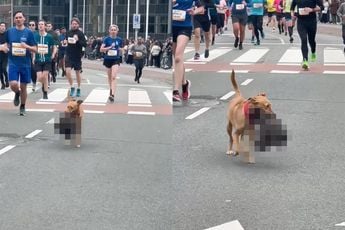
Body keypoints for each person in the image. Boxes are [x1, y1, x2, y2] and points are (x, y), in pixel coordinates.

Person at [172, 0, 205, 102]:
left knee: (178, 57)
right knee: (178, 59)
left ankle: (176, 91)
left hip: (184, 27)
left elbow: (202, 8)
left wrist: (194, 11)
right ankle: (185, 84)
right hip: (171, 27)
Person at [5, 11, 37, 115]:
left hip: (25, 63)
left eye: (20, 17)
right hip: (13, 62)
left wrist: (27, 47)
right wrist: (5, 48)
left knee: (24, 87)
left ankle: (22, 106)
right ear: (14, 20)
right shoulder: (9, 31)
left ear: (24, 19)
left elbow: (35, 49)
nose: (18, 19)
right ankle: (16, 93)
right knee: (13, 84)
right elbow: (6, 44)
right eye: (16, 18)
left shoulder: (29, 33)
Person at [291, 0, 323, 70]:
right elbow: (292, 8)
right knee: (304, 39)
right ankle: (305, 61)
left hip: (312, 22)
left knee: (311, 40)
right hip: (301, 22)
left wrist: (312, 9)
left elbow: (321, 7)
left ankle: (313, 51)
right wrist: (293, 16)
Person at [33, 20, 57, 99]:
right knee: (40, 77)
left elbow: (54, 47)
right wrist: (33, 57)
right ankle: (44, 85)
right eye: (39, 24)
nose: (40, 26)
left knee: (45, 75)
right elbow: (34, 47)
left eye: (42, 24)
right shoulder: (35, 36)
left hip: (47, 60)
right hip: (38, 59)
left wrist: (53, 54)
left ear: (45, 26)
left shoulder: (49, 37)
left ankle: (45, 92)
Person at [100, 24, 123, 102]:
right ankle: (111, 89)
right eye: (112, 30)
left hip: (116, 59)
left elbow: (121, 48)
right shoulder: (106, 39)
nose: (113, 31)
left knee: (113, 76)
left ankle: (112, 94)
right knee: (109, 77)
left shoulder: (119, 39)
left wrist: (122, 49)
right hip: (107, 59)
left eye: (114, 30)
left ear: (117, 31)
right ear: (109, 31)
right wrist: (109, 47)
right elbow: (101, 49)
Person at [64, 17, 87, 97]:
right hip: (69, 55)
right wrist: (64, 42)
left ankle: (79, 88)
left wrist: (78, 40)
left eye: (75, 24)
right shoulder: (68, 33)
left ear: (78, 25)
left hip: (77, 56)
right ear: (71, 24)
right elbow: (65, 42)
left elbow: (85, 44)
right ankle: (72, 86)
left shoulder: (80, 33)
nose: (74, 25)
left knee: (77, 73)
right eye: (73, 24)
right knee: (67, 71)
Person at [28, 20, 37, 91]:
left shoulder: (37, 34)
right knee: (32, 69)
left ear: (35, 26)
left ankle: (46, 81)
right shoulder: (26, 33)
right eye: (30, 25)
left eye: (33, 25)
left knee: (37, 70)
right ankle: (34, 83)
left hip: (37, 54)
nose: (31, 26)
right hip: (28, 54)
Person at [0, 22, 9, 89]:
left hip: (5, 55)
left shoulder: (7, 34)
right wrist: (2, 46)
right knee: (0, 70)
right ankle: (2, 83)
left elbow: (8, 44)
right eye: (1, 26)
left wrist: (5, 46)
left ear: (5, 27)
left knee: (4, 68)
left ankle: (6, 79)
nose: (2, 27)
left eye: (4, 26)